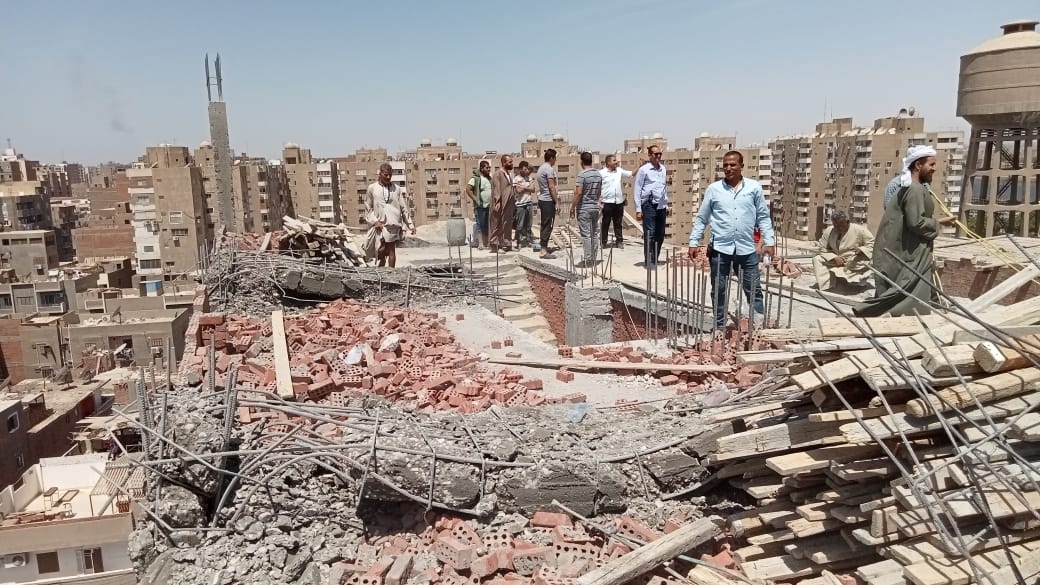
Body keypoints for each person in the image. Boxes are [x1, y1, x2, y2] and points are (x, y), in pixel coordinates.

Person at [853, 146, 956, 317]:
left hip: (905, 249)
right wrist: (937, 223)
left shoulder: (912, 187)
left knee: (905, 291)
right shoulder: (914, 189)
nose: (934, 169)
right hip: (907, 252)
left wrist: (939, 222)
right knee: (907, 294)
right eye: (931, 164)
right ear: (918, 165)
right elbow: (916, 222)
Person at [688, 151, 775, 329]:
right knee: (719, 290)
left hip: (746, 250)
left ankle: (758, 328)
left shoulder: (754, 188)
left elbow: (763, 217)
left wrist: (769, 242)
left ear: (741, 166)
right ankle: (719, 328)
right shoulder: (714, 189)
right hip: (720, 250)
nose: (728, 168)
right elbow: (702, 218)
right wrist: (693, 242)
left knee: (754, 290)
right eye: (725, 165)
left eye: (733, 164)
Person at [364, 162, 415, 268]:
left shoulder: (397, 189)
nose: (388, 177)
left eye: (390, 175)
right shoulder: (372, 188)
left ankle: (391, 272)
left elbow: (403, 208)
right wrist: (374, 221)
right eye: (386, 175)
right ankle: (382, 269)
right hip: (379, 224)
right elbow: (368, 208)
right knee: (381, 250)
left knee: (391, 250)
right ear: (380, 174)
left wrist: (410, 225)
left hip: (393, 223)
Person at [811, 209, 874, 291]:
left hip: (853, 259)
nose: (838, 228)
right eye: (835, 225)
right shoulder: (829, 231)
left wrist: (861, 250)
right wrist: (834, 257)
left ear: (847, 222)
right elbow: (822, 248)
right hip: (835, 259)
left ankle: (857, 284)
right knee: (817, 259)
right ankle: (828, 286)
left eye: (840, 225)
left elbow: (872, 244)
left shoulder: (860, 230)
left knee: (865, 262)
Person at [634, 145, 669, 268]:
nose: (658, 156)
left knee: (660, 233)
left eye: (660, 154)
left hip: (661, 204)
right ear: (650, 155)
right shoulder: (644, 170)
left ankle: (655, 258)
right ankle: (649, 261)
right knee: (650, 234)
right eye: (656, 154)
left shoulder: (663, 169)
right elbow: (637, 189)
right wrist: (638, 209)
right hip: (649, 204)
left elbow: (664, 187)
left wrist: (666, 204)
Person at [599, 154, 639, 250]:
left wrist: (639, 165)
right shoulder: (601, 173)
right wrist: (598, 200)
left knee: (618, 223)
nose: (616, 162)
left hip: (618, 202)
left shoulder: (619, 171)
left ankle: (619, 241)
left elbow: (631, 174)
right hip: (607, 202)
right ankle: (603, 242)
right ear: (608, 162)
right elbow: (597, 186)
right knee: (605, 223)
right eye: (614, 160)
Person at [572, 152, 603, 267]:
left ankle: (588, 260)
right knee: (594, 233)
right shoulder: (598, 174)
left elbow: (578, 193)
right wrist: (597, 202)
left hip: (584, 208)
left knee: (586, 235)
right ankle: (594, 258)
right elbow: (599, 191)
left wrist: (572, 207)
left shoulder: (582, 175)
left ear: (581, 162)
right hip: (594, 207)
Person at [489, 154, 516, 253]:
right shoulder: (498, 174)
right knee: (498, 224)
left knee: (507, 223)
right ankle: (496, 245)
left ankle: (507, 244)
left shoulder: (508, 173)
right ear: (504, 163)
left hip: (508, 203)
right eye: (510, 162)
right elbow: (497, 188)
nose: (512, 164)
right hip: (500, 202)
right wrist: (497, 201)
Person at [537, 148, 560, 259]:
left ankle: (543, 246)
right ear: (551, 158)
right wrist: (557, 202)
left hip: (543, 199)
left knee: (544, 224)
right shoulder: (548, 169)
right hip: (548, 201)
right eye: (555, 158)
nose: (555, 160)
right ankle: (543, 250)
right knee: (548, 225)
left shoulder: (541, 168)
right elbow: (551, 186)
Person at [466, 160, 492, 250]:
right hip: (480, 206)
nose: (489, 169)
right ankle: (481, 244)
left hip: (489, 206)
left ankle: (486, 242)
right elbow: (468, 189)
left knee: (487, 225)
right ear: (481, 168)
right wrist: (475, 199)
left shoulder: (489, 179)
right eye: (487, 168)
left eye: (489, 168)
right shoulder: (476, 178)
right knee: (480, 224)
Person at [513, 161, 537, 248]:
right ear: (520, 169)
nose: (526, 170)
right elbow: (518, 190)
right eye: (524, 169)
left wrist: (523, 187)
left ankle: (528, 240)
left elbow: (533, 189)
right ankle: (518, 241)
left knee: (529, 224)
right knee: (520, 225)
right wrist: (527, 188)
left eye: (527, 169)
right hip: (520, 204)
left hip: (529, 203)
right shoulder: (516, 179)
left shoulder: (529, 178)